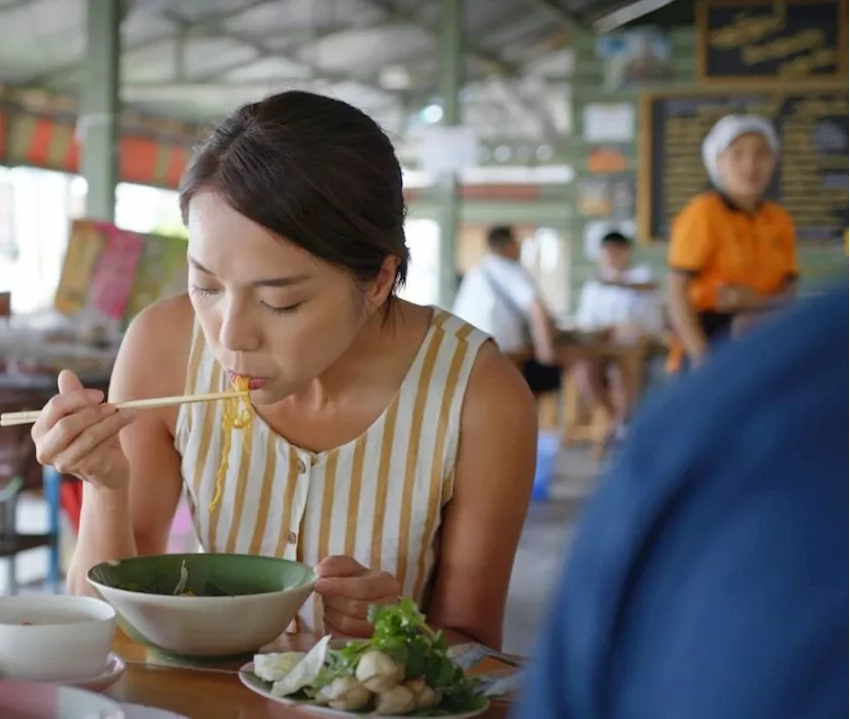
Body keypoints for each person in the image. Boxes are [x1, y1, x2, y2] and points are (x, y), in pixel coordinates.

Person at [33, 90, 536, 648]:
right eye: (206, 286)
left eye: (281, 303)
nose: (230, 337)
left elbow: (477, 649)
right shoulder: (163, 348)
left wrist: (401, 629)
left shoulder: (479, 395)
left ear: (374, 281)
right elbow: (106, 626)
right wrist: (105, 486)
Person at [516, 281, 850, 719]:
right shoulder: (727, 429)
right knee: (592, 371)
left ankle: (615, 419)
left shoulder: (727, 423)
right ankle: (615, 418)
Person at [665, 114, 797, 373]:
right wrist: (703, 359)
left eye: (761, 154)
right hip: (708, 341)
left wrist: (757, 303)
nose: (750, 166)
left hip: (764, 337)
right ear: (718, 163)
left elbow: (790, 288)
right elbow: (676, 293)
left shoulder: (779, 219)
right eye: (737, 154)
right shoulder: (703, 213)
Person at [452, 225, 578, 396]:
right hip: (505, 353)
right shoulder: (508, 268)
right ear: (511, 245)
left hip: (468, 354)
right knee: (574, 358)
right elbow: (536, 307)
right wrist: (546, 352)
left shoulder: (475, 274)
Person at [572, 231, 663, 438]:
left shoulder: (642, 277)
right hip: (600, 348)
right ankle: (614, 417)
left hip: (636, 348)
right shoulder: (594, 286)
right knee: (582, 368)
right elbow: (585, 322)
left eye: (615, 252)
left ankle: (628, 418)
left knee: (620, 368)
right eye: (607, 253)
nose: (610, 258)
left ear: (626, 252)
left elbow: (649, 323)